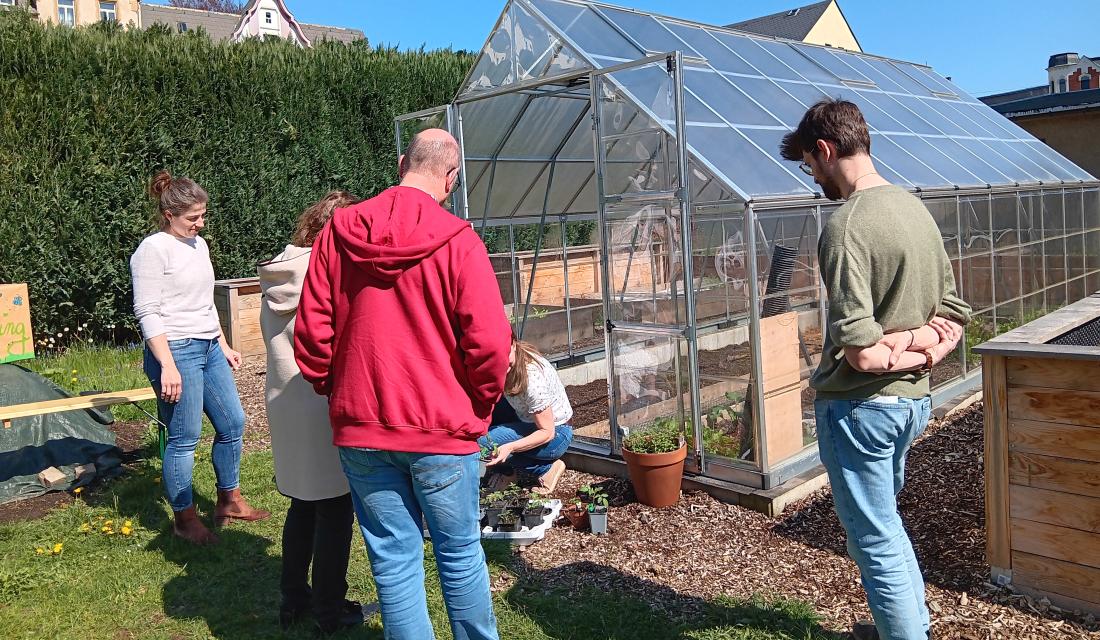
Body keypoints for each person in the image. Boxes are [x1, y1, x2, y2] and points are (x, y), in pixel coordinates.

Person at [294, 129, 511, 640]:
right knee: (458, 555)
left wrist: (341, 391)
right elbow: (491, 345)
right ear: (451, 178)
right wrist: (479, 410)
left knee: (394, 560)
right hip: (442, 430)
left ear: (400, 164)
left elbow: (311, 331)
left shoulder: (338, 232)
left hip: (363, 430)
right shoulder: (460, 241)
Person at [779, 99, 971, 640]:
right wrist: (924, 345)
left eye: (809, 165)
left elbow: (861, 353)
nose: (813, 177)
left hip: (860, 410)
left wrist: (895, 345)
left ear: (826, 149)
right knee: (887, 527)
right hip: (913, 402)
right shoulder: (916, 211)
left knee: (875, 540)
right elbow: (953, 317)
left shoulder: (845, 228)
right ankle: (909, 629)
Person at [130, 171, 269, 545]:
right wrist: (168, 365)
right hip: (174, 351)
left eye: (203, 215)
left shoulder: (199, 246)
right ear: (169, 213)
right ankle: (184, 518)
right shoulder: (152, 250)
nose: (200, 223)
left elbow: (205, 303)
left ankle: (229, 500)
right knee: (184, 437)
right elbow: (147, 311)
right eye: (193, 217)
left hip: (207, 348)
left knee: (233, 423)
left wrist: (222, 343)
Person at [258, 192, 371, 635]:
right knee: (336, 509)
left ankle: (293, 598)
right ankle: (329, 609)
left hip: (285, 401)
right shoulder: (328, 269)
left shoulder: (282, 270)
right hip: (320, 397)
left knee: (303, 504)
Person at [480, 333, 572, 494]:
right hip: (527, 420)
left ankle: (544, 469)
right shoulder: (507, 364)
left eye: (504, 356)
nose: (501, 364)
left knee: (484, 443)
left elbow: (547, 432)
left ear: (514, 344)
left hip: (557, 434)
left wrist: (510, 447)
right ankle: (509, 470)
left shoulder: (531, 378)